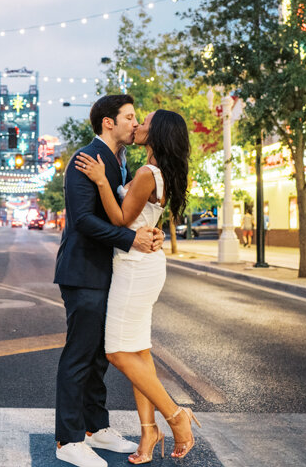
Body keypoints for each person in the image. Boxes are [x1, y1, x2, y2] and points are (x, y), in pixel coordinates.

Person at [74, 109, 201, 464]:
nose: (138, 126)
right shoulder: (154, 172)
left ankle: (176, 417)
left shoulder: (147, 173)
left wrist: (101, 180)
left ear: (157, 133)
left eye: (144, 122)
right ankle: (149, 430)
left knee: (117, 352)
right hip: (140, 264)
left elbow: (120, 219)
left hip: (134, 269)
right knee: (139, 352)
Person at [53, 94, 164, 467]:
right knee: (79, 355)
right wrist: (131, 239)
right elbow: (82, 220)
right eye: (129, 117)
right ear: (108, 123)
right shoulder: (87, 159)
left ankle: (95, 427)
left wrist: (149, 231)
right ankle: (68, 440)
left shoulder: (119, 162)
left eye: (136, 118)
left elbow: (127, 213)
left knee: (99, 356)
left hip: (107, 272)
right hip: (83, 272)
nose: (135, 124)